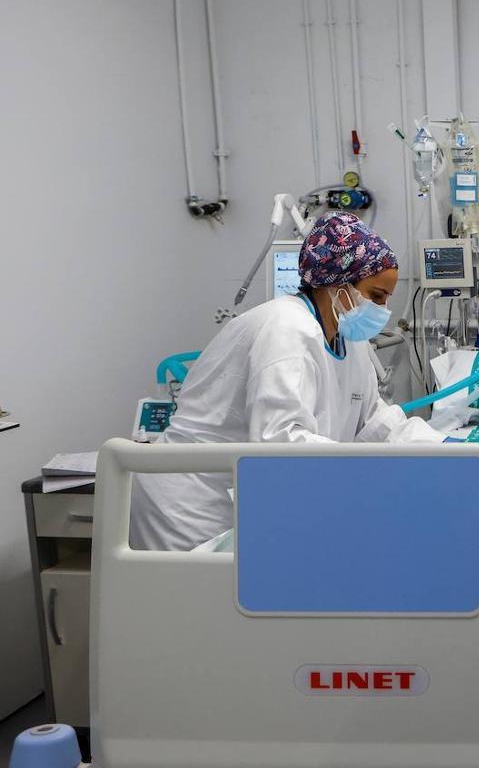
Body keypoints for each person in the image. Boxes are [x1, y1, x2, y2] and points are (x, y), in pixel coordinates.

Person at [129, 212, 408, 551]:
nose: (383, 309)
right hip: (192, 511)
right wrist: (365, 479)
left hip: (247, 504)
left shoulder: (349, 339)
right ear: (337, 282)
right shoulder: (286, 328)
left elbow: (374, 421)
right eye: (376, 295)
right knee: (199, 601)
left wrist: (451, 453)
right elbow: (280, 441)